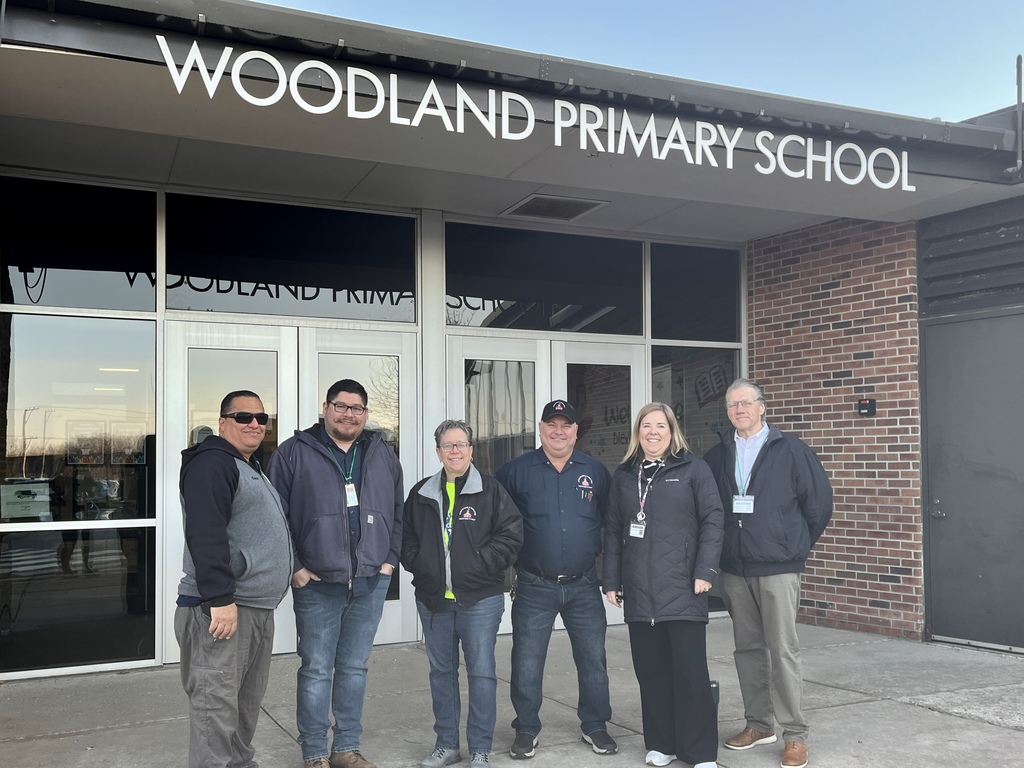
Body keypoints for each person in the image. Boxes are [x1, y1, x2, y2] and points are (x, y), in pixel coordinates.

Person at [267, 379, 404, 768]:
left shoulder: (382, 454)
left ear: (366, 414)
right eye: (341, 406)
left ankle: (346, 748)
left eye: (357, 408)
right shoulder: (293, 453)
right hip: (317, 584)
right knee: (315, 670)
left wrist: (389, 560)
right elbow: (275, 518)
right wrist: (294, 567)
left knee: (355, 667)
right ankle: (314, 753)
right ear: (325, 407)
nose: (349, 414)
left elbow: (397, 511)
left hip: (369, 582)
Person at [703, 378, 833, 768]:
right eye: (731, 405)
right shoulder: (718, 455)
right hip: (735, 569)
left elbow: (819, 505)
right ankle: (759, 723)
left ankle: (795, 733)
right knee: (747, 649)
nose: (738, 410)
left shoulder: (790, 450)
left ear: (762, 407)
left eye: (746, 403)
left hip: (778, 567)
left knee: (783, 649)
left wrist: (792, 547)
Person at [175, 390, 292, 768]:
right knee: (215, 708)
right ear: (223, 421)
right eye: (243, 417)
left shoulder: (247, 465)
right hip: (224, 609)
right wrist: (220, 600)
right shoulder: (213, 463)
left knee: (243, 704)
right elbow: (206, 533)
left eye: (261, 418)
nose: (255, 424)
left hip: (253, 607)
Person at [603, 402, 723, 768]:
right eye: (646, 426)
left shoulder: (693, 469)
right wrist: (611, 578)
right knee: (652, 674)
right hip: (640, 591)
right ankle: (662, 743)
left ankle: (699, 752)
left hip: (685, 589)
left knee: (690, 674)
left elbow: (713, 519)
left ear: (672, 431)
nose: (652, 432)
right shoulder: (624, 475)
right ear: (637, 433)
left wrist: (705, 570)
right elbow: (611, 530)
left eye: (660, 426)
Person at [496, 399, 617, 759]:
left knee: (593, 659)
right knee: (527, 660)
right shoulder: (515, 472)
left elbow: (610, 525)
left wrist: (611, 576)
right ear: (541, 428)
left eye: (566, 425)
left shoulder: (595, 471)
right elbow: (500, 523)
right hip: (535, 583)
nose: (559, 431)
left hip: (583, 583)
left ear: (576, 431)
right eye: (552, 424)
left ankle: (595, 724)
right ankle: (527, 728)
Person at [402, 419, 523, 768]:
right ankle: (447, 745)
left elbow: (512, 535)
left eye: (461, 444)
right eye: (447, 445)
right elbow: (406, 538)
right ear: (438, 451)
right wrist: (421, 564)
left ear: (472, 449)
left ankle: (480, 748)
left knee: (481, 673)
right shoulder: (422, 493)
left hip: (479, 599)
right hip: (434, 600)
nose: (455, 451)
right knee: (441, 674)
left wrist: (481, 562)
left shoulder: (492, 491)